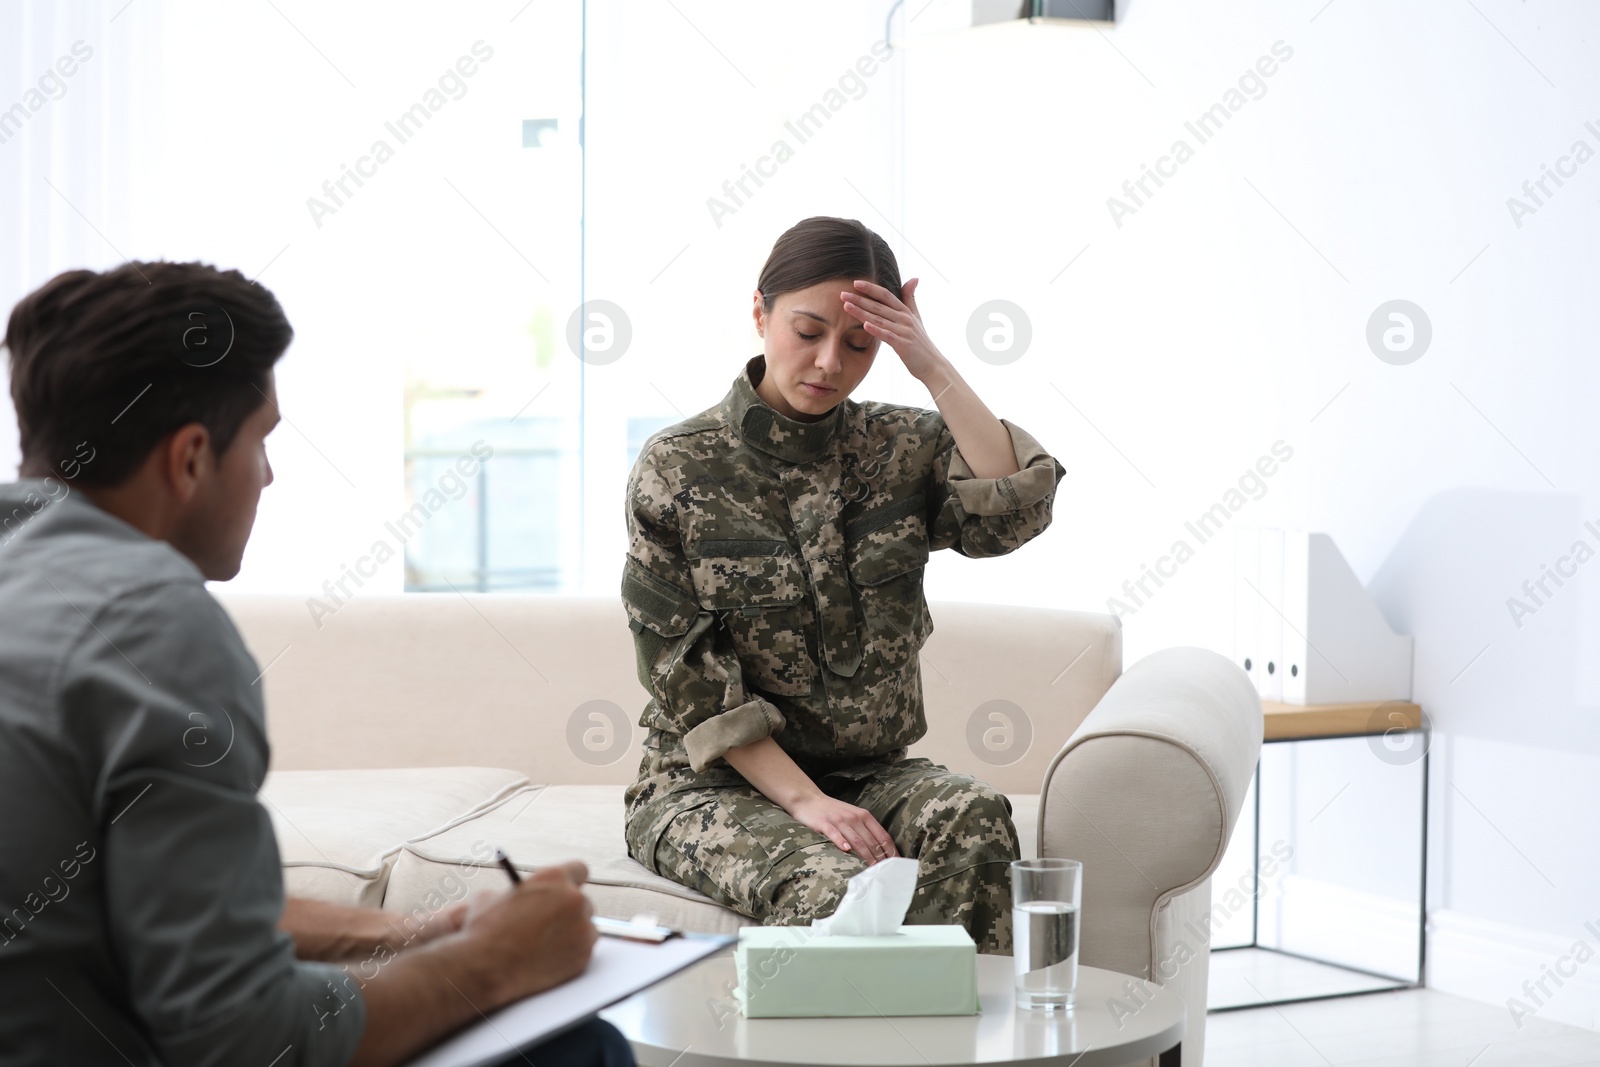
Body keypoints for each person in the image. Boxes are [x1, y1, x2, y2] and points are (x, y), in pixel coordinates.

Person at [0, 262, 631, 1067]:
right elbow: (248, 1042)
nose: (268, 473)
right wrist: (493, 961)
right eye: (262, 438)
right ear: (190, 459)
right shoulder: (151, 624)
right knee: (577, 1050)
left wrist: (414, 932)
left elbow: (145, 905)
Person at [620, 216, 1066, 954]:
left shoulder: (900, 446)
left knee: (978, 818)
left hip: (871, 774)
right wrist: (806, 802)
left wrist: (929, 362)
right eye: (807, 330)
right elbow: (688, 677)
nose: (830, 362)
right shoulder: (679, 467)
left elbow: (1012, 508)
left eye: (859, 344)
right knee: (838, 892)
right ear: (759, 311)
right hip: (714, 788)